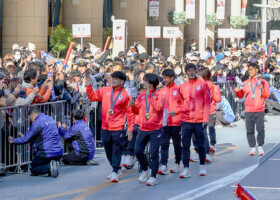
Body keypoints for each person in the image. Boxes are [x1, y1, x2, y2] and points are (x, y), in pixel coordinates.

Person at [86, 71, 134, 183]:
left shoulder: (126, 95)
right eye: (112, 78)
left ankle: (114, 171)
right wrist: (88, 85)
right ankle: (116, 167)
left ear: (122, 81)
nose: (112, 80)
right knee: (108, 150)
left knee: (116, 150)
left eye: (116, 79)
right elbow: (93, 97)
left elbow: (130, 113)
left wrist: (130, 129)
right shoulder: (104, 90)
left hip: (118, 127)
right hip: (105, 126)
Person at [129, 73, 163, 186]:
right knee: (137, 150)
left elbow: (158, 108)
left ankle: (153, 176)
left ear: (152, 84)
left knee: (153, 153)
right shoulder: (141, 96)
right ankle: (145, 169)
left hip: (156, 128)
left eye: (145, 81)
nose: (143, 83)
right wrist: (133, 105)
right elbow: (137, 111)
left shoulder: (159, 95)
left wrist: (149, 96)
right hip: (143, 128)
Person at [8, 107, 63, 177]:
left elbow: (26, 139)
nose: (31, 120)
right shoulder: (50, 118)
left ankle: (49, 167)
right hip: (59, 152)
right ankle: (52, 166)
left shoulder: (37, 122)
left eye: (31, 118)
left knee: (34, 168)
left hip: (47, 153)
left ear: (34, 115)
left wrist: (13, 140)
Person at [179, 63, 210, 178]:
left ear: (196, 71)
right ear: (185, 72)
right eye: (189, 70)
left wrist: (205, 118)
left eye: (193, 70)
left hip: (199, 120)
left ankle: (202, 165)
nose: (191, 72)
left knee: (200, 144)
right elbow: (180, 103)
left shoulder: (202, 84)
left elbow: (207, 102)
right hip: (186, 120)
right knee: (185, 144)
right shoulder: (183, 86)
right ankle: (186, 168)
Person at [234, 63, 270, 156]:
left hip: (259, 109)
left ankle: (260, 146)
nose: (250, 71)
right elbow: (240, 94)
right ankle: (252, 147)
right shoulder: (245, 82)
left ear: (256, 70)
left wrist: (262, 89)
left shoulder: (263, 82)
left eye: (252, 69)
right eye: (249, 70)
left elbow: (266, 95)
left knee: (260, 129)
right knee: (249, 130)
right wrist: (237, 91)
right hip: (248, 109)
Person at [157, 69, 182, 175]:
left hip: (177, 122)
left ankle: (177, 163)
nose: (164, 80)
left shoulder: (179, 89)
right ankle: (164, 165)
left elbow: (184, 105)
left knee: (177, 144)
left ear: (172, 78)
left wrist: (176, 112)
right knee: (164, 144)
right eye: (163, 78)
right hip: (165, 122)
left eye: (166, 78)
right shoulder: (161, 91)